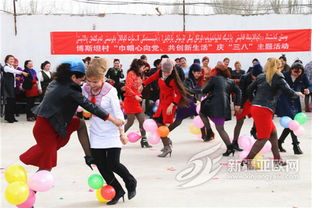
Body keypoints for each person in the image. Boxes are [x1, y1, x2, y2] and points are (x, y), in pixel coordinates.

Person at [20, 57, 123, 173]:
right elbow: (91, 107)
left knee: (80, 123)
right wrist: (113, 120)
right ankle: (33, 190)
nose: (82, 82)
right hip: (47, 129)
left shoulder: (56, 82)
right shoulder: (71, 90)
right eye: (81, 79)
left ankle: (89, 157)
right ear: (73, 77)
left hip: (53, 123)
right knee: (46, 166)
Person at [82, 57, 137, 205]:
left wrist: (122, 133)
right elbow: (80, 104)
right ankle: (118, 190)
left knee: (113, 163)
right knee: (101, 165)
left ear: (102, 79)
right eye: (89, 81)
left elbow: (118, 114)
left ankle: (130, 181)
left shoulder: (110, 91)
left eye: (95, 82)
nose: (92, 85)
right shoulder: (85, 89)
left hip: (112, 131)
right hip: (96, 133)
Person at [244, 58, 303, 168]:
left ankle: (277, 159)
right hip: (264, 109)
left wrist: (254, 101)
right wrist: (297, 94)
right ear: (279, 67)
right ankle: (247, 160)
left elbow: (249, 89)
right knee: (263, 138)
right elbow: (289, 92)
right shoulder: (278, 76)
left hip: (256, 108)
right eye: (280, 66)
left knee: (273, 133)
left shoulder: (261, 76)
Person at [143, 58, 190, 157]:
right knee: (159, 123)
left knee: (160, 124)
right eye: (165, 72)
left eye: (169, 72)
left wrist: (172, 105)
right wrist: (143, 84)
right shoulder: (160, 72)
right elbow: (152, 78)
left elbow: (179, 94)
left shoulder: (173, 80)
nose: (166, 74)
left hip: (169, 104)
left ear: (172, 70)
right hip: (162, 101)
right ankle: (167, 143)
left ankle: (167, 146)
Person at [199, 62, 242, 156]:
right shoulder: (231, 81)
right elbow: (239, 91)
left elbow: (205, 90)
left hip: (213, 105)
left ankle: (228, 147)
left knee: (218, 127)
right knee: (219, 127)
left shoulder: (214, 78)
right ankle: (210, 131)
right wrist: (237, 104)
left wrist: (204, 90)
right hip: (224, 107)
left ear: (217, 71)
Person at [276, 60, 311, 154]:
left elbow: (309, 85)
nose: (297, 74)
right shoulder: (284, 75)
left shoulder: (302, 76)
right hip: (284, 100)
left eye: (299, 72)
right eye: (295, 71)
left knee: (290, 124)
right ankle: (295, 145)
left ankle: (279, 142)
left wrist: (308, 89)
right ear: (291, 69)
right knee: (292, 122)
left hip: (295, 101)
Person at [233, 64, 263, 151]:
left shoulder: (260, 77)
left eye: (257, 77)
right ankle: (234, 142)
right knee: (239, 121)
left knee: (258, 117)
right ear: (251, 73)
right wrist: (240, 105)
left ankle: (253, 130)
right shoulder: (244, 77)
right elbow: (240, 92)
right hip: (243, 101)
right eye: (254, 76)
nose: (255, 78)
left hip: (253, 101)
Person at [123, 58, 151, 148]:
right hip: (130, 99)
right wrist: (135, 95)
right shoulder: (131, 73)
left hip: (137, 100)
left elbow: (140, 84)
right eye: (142, 67)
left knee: (142, 121)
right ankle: (116, 137)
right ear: (138, 66)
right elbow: (127, 87)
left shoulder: (140, 74)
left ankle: (144, 140)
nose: (144, 69)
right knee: (130, 122)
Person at [2, 55, 28, 123]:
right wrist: (22, 72)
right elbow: (14, 71)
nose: (12, 61)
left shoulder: (12, 66)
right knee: (9, 102)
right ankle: (8, 118)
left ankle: (12, 117)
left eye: (13, 59)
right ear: (7, 60)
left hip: (12, 87)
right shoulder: (6, 67)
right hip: (7, 87)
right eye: (10, 59)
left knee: (12, 102)